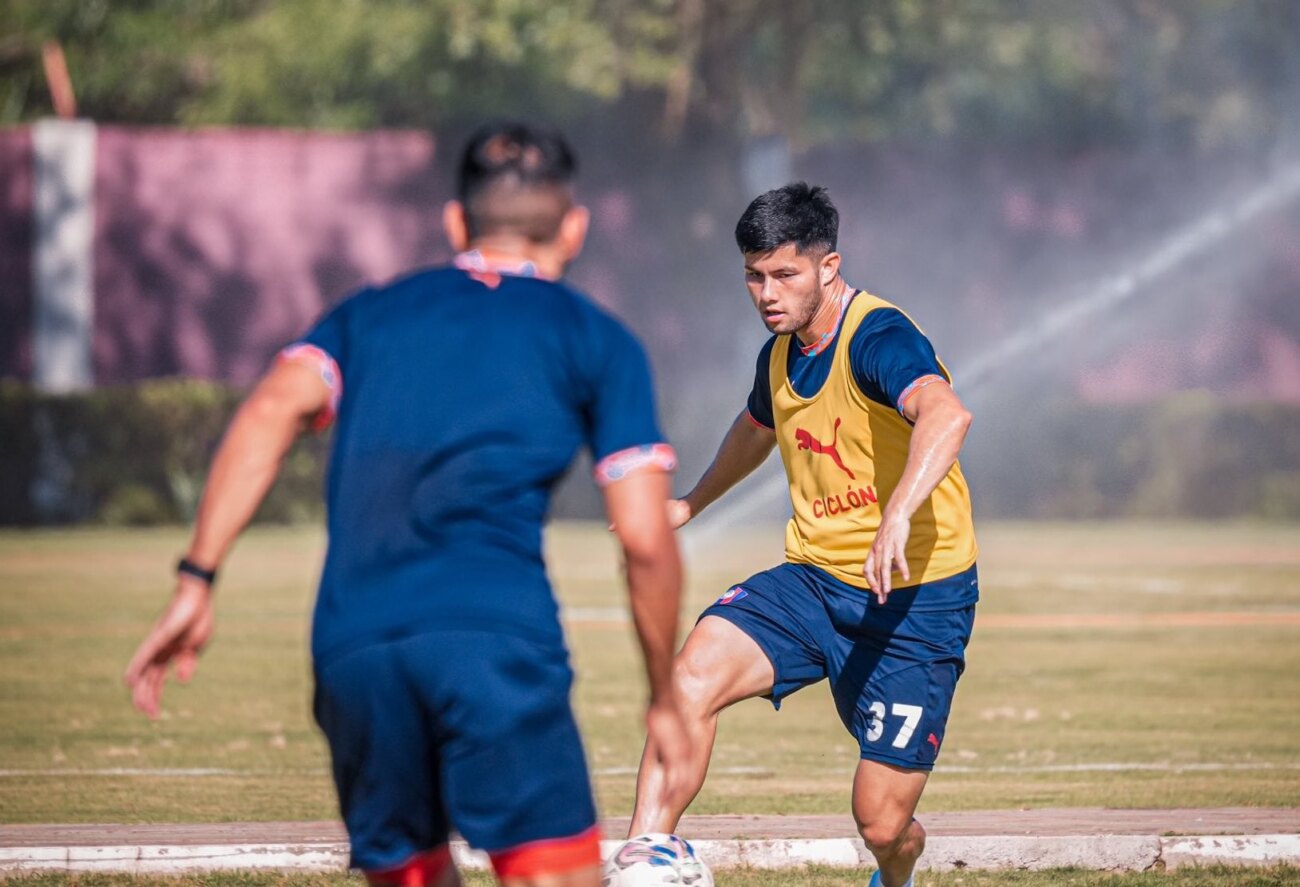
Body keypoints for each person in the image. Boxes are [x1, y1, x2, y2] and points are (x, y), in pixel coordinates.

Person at [124, 121, 690, 887]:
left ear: (456, 224)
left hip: (355, 649)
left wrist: (198, 576)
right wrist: (663, 694)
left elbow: (267, 411)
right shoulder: (596, 338)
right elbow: (649, 540)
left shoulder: (367, 314)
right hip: (496, 644)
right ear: (575, 227)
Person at [629, 183, 978, 887]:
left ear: (829, 266)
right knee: (691, 672)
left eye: (784, 273)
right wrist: (691, 501)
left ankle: (898, 873)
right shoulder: (783, 350)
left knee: (882, 823)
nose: (766, 292)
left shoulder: (878, 337)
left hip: (915, 603)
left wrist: (900, 509)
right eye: (754, 276)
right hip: (814, 583)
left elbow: (948, 415)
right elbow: (758, 426)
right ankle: (648, 855)